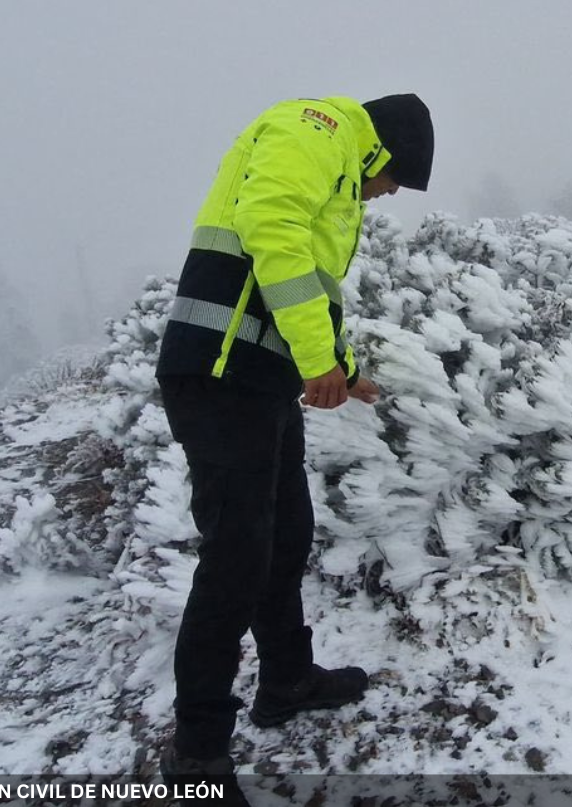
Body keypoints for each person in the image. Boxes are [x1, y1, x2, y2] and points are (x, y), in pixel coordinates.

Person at [153, 94, 433, 793]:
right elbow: (270, 227)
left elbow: (305, 280)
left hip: (257, 378)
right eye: (396, 180)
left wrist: (345, 368)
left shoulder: (340, 168)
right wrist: (316, 361)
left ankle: (286, 680)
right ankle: (197, 752)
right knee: (236, 559)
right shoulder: (315, 130)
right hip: (218, 373)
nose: (390, 192)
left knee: (284, 537)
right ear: (388, 152)